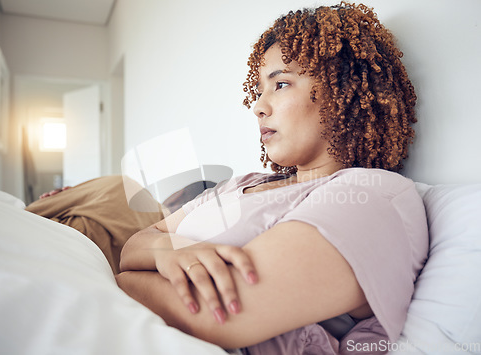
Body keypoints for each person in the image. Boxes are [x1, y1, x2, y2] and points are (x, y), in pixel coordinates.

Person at [115, 2, 429, 354]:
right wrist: (164, 254)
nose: (258, 106)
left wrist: (122, 283)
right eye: (261, 89)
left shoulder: (371, 197)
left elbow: (213, 317)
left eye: (281, 84)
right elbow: (136, 243)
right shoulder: (244, 183)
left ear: (344, 92)